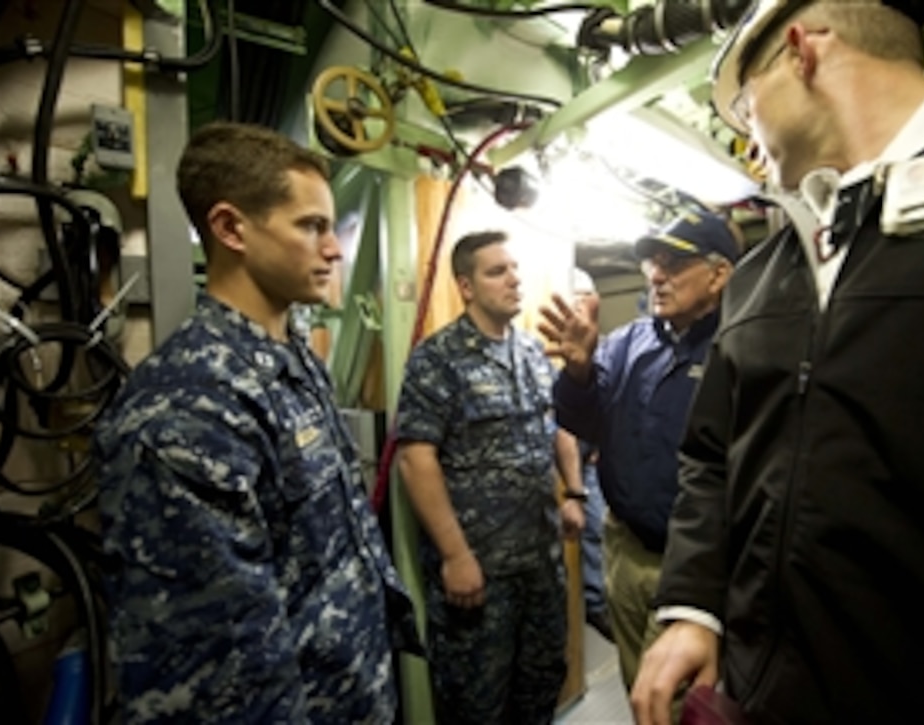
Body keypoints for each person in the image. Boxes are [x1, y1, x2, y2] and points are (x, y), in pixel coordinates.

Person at [631, 1, 924, 723]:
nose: (749, 139)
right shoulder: (761, 273)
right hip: (770, 692)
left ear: (803, 52)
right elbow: (712, 456)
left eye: (746, 107)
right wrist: (695, 605)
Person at [93, 122, 420, 724]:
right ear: (229, 228)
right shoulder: (188, 409)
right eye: (311, 226)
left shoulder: (292, 361)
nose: (334, 248)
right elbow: (224, 678)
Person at [539, 211, 741, 695]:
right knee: (640, 689)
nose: (655, 273)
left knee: (680, 701)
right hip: (626, 551)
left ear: (719, 274)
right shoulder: (627, 343)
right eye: (652, 260)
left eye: (673, 262)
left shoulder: (742, 346)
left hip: (701, 565)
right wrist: (580, 373)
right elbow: (583, 424)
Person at [395, 230, 586, 725]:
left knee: (540, 690)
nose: (513, 279)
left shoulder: (531, 352)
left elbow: (559, 425)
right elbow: (416, 459)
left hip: (540, 569)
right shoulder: (438, 359)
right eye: (496, 271)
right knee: (475, 706)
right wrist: (457, 556)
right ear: (467, 285)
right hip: (480, 577)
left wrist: (575, 491)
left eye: (514, 268)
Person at [571, 268, 613, 641]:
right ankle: (595, 602)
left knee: (599, 526)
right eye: (574, 293)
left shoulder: (607, 346)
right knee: (591, 528)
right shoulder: (552, 344)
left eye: (586, 293)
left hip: (593, 458)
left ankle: (600, 600)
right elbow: (563, 429)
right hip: (569, 461)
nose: (580, 302)